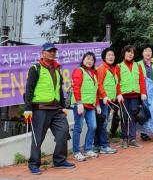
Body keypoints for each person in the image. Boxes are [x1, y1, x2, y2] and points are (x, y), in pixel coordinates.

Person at [24, 43, 75, 175]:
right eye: (49, 51)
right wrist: (28, 108)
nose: (52, 53)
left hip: (56, 109)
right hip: (40, 108)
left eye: (54, 51)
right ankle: (34, 164)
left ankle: (59, 160)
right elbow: (29, 89)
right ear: (43, 53)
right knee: (38, 138)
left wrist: (63, 106)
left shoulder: (57, 69)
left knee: (63, 132)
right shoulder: (35, 68)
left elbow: (59, 89)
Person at [71, 52, 101, 161]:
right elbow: (76, 87)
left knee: (93, 126)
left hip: (91, 106)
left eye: (92, 59)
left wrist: (97, 104)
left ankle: (88, 149)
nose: (89, 61)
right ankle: (76, 152)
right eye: (87, 59)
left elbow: (95, 91)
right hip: (81, 105)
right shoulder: (79, 71)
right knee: (78, 128)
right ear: (83, 60)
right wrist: (79, 103)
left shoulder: (93, 73)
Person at [115, 45, 147, 148]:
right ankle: (124, 138)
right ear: (124, 54)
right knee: (124, 117)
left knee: (133, 117)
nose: (130, 54)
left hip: (135, 96)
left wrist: (143, 93)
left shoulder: (138, 66)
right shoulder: (119, 66)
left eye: (132, 52)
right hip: (123, 96)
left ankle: (132, 139)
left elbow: (141, 80)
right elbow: (117, 82)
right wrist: (118, 93)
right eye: (128, 52)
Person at [94, 47, 118, 154]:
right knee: (103, 124)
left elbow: (115, 84)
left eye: (112, 55)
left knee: (101, 123)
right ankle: (103, 146)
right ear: (104, 57)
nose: (111, 57)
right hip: (103, 101)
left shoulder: (112, 69)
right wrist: (104, 96)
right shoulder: (102, 68)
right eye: (109, 55)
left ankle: (97, 145)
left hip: (109, 102)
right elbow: (99, 84)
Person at [137, 44, 153, 141]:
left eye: (149, 51)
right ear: (142, 53)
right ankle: (143, 133)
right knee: (144, 112)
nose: (148, 53)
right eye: (145, 51)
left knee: (152, 112)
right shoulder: (138, 64)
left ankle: (150, 131)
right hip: (143, 92)